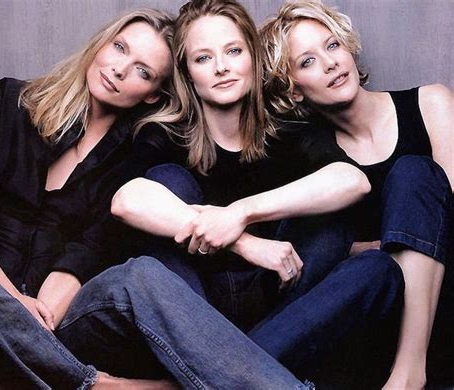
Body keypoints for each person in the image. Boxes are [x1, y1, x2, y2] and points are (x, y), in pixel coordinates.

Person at [51, 1, 402, 388]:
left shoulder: (286, 128)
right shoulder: (166, 133)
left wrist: (240, 213)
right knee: (169, 180)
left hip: (275, 304)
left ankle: (184, 382)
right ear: (187, 74)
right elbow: (126, 200)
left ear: (252, 56)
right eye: (204, 58)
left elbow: (353, 180)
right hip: (187, 308)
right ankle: (228, 367)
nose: (221, 67)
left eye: (233, 51)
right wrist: (243, 241)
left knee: (374, 266)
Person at [0, 8, 178, 388]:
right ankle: (98, 385)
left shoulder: (134, 156)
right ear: (101, 43)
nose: (120, 69)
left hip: (56, 317)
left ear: (153, 94)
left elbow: (88, 251)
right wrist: (12, 307)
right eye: (119, 47)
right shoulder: (10, 101)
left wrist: (38, 323)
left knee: (128, 283)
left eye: (142, 71)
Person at [259, 1, 453, 388]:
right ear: (294, 90)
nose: (330, 63)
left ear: (349, 48)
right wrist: (401, 247)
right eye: (308, 61)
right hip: (371, 326)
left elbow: (448, 220)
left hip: (445, 306)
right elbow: (321, 254)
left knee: (414, 172)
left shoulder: (430, 103)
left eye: (332, 46)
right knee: (368, 271)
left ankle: (409, 375)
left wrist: (392, 243)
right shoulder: (305, 154)